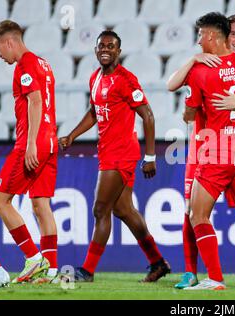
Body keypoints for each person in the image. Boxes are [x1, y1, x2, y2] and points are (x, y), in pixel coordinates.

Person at [59, 31, 170, 283]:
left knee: (100, 209)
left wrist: (150, 156)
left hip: (121, 153)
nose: (105, 50)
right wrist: (72, 135)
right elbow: (95, 111)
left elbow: (148, 116)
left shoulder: (126, 80)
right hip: (107, 150)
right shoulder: (95, 78)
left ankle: (87, 271)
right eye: (101, 46)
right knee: (124, 210)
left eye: (111, 46)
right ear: (96, 50)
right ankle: (158, 262)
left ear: (119, 51)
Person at [167, 15, 235, 290]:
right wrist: (195, 59)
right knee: (192, 210)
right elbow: (187, 114)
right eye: (234, 34)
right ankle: (191, 272)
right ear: (224, 36)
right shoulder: (204, 67)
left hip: (229, 151)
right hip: (201, 148)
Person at [0, 20, 59, 284]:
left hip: (33, 142)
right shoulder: (44, 63)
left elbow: (35, 101)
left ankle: (33, 258)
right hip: (50, 140)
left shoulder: (25, 65)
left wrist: (31, 143)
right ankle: (51, 271)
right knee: (40, 203)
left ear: (10, 42)